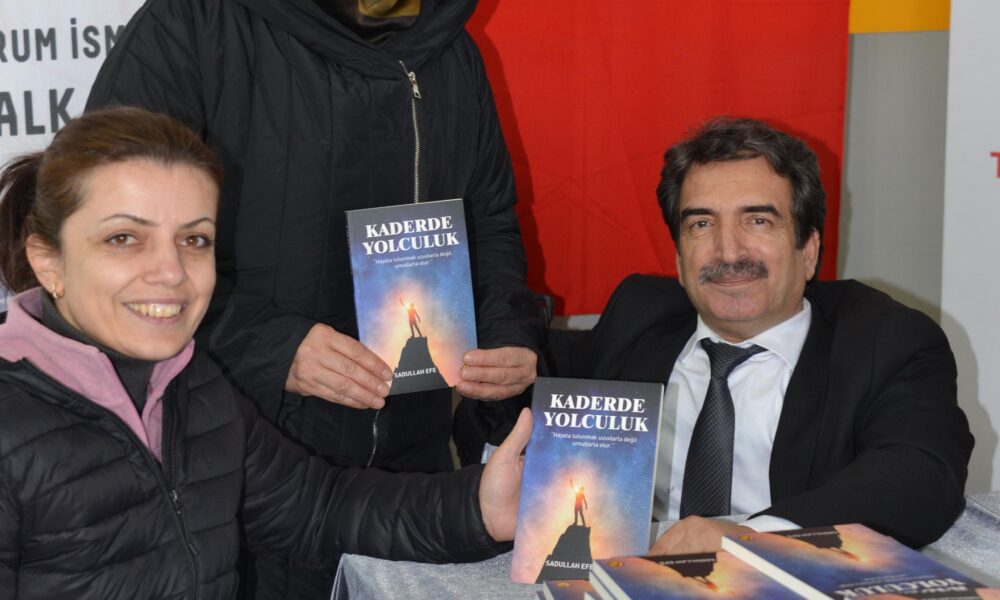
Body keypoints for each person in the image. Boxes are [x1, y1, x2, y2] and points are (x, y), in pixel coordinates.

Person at [0, 106, 531, 600]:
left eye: (194, 240)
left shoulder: (196, 384)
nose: (171, 272)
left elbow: (319, 509)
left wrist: (480, 506)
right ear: (47, 261)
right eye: (123, 239)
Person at [85, 0, 541, 476]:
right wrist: (273, 348)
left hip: (412, 467)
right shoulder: (193, 25)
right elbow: (115, 242)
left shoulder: (450, 48)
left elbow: (487, 220)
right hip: (240, 459)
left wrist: (505, 329)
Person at [552, 117, 973, 554]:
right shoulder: (637, 317)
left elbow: (921, 472)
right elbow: (534, 373)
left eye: (757, 221)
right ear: (678, 259)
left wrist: (754, 540)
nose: (728, 251)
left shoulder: (884, 340)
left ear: (808, 251)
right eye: (701, 224)